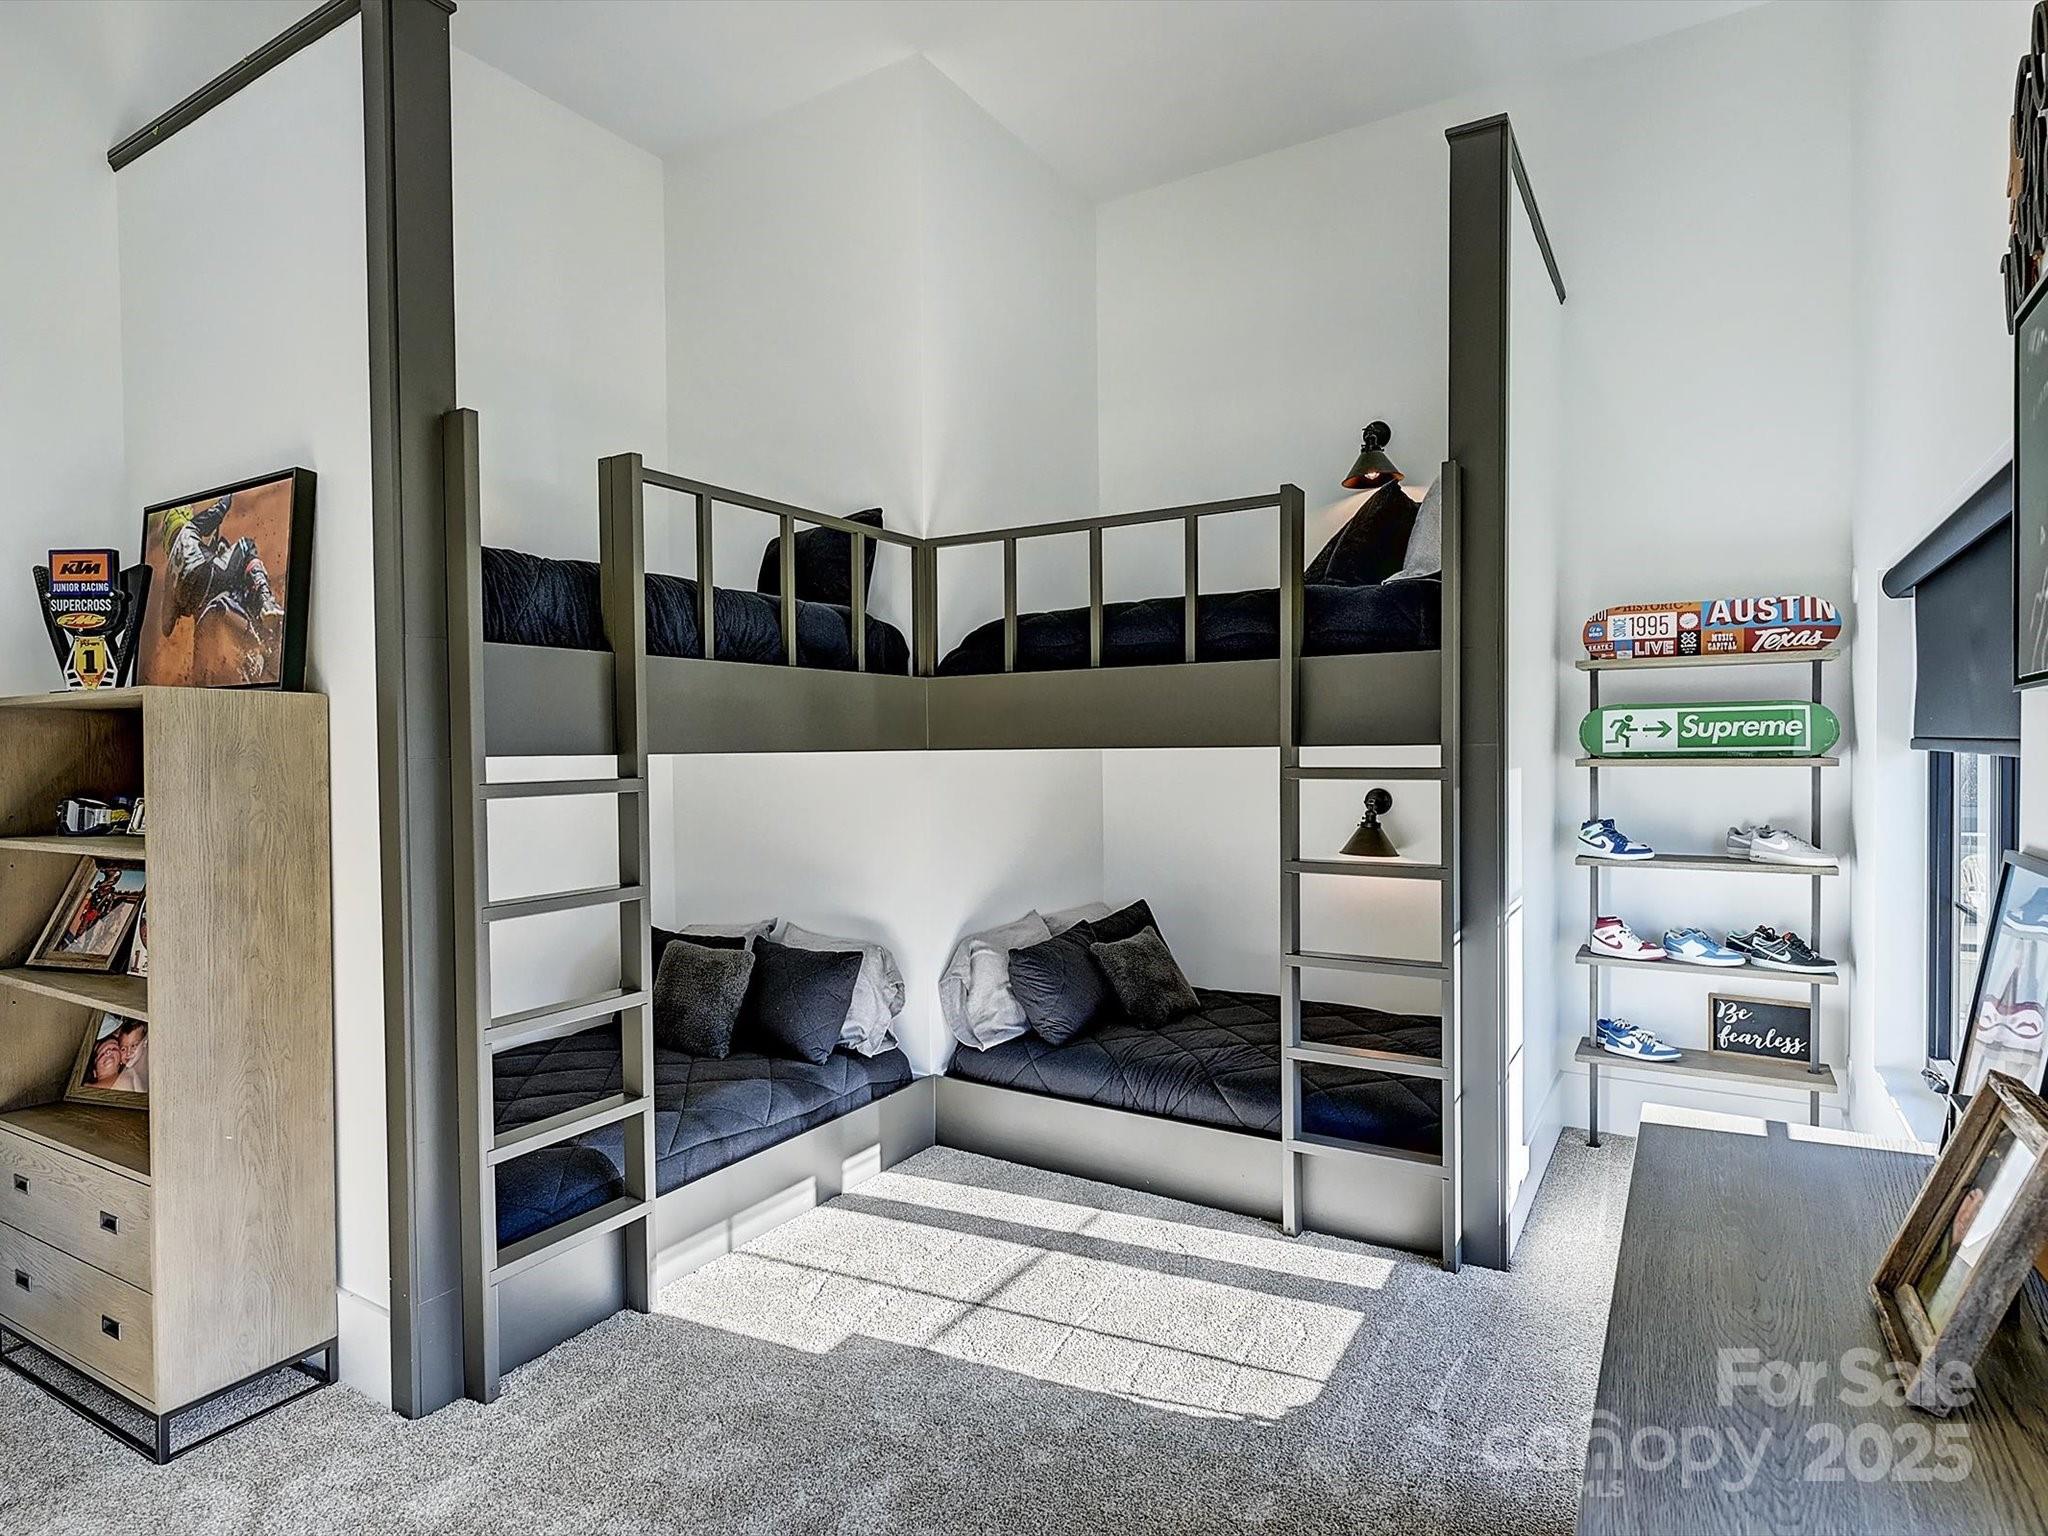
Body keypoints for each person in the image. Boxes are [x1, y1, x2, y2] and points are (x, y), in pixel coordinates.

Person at [159, 495, 284, 662]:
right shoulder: (188, 529)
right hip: (211, 576)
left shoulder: (169, 577)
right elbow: (219, 510)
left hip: (202, 607)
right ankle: (266, 603)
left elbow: (166, 628)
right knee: (246, 546)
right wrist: (228, 494)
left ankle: (251, 648)